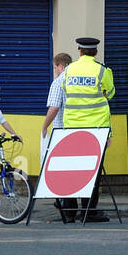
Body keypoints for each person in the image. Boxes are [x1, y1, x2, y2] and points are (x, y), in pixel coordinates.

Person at [62, 35, 115, 221]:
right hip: (96, 130)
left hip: (72, 129)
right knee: (93, 172)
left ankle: (69, 211)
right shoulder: (102, 70)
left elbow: (66, 92)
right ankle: (88, 211)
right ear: (96, 51)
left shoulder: (69, 70)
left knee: (72, 170)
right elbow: (111, 92)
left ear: (80, 51)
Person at [41, 52, 72, 215]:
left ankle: (65, 204)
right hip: (78, 130)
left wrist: (44, 126)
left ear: (61, 66)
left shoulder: (59, 82)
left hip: (61, 132)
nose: (55, 71)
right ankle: (71, 206)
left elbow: (53, 108)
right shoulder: (76, 81)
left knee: (62, 171)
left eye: (55, 68)